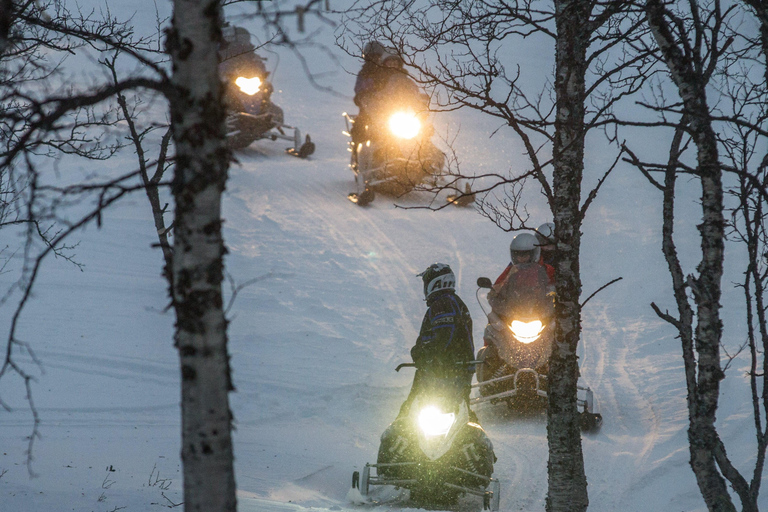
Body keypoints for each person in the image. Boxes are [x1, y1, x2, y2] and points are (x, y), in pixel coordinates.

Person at [397, 263, 478, 421]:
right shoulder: (451, 301)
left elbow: (442, 338)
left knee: (413, 412)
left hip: (444, 371)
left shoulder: (443, 304)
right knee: (460, 412)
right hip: (452, 369)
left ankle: (398, 442)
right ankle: (473, 441)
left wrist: (422, 354)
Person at [488, 233, 554, 319]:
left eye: (525, 255)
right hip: (514, 312)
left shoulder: (545, 269)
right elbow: (499, 286)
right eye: (518, 255)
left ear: (534, 254)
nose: (521, 258)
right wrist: (494, 294)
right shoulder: (511, 270)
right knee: (493, 327)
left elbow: (557, 286)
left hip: (540, 312)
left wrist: (553, 295)